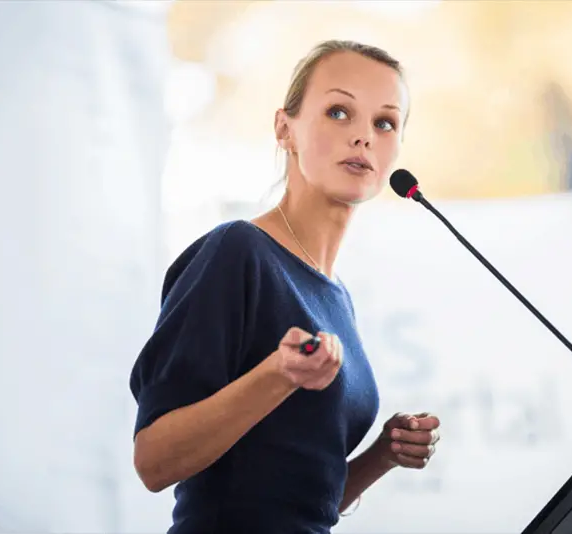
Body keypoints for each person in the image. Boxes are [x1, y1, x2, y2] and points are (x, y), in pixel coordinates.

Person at [129, 39, 442, 533]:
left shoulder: (337, 296)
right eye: (339, 112)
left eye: (385, 122)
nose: (363, 136)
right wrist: (278, 376)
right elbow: (154, 461)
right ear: (285, 129)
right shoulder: (237, 253)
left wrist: (383, 454)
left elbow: (303, 504)